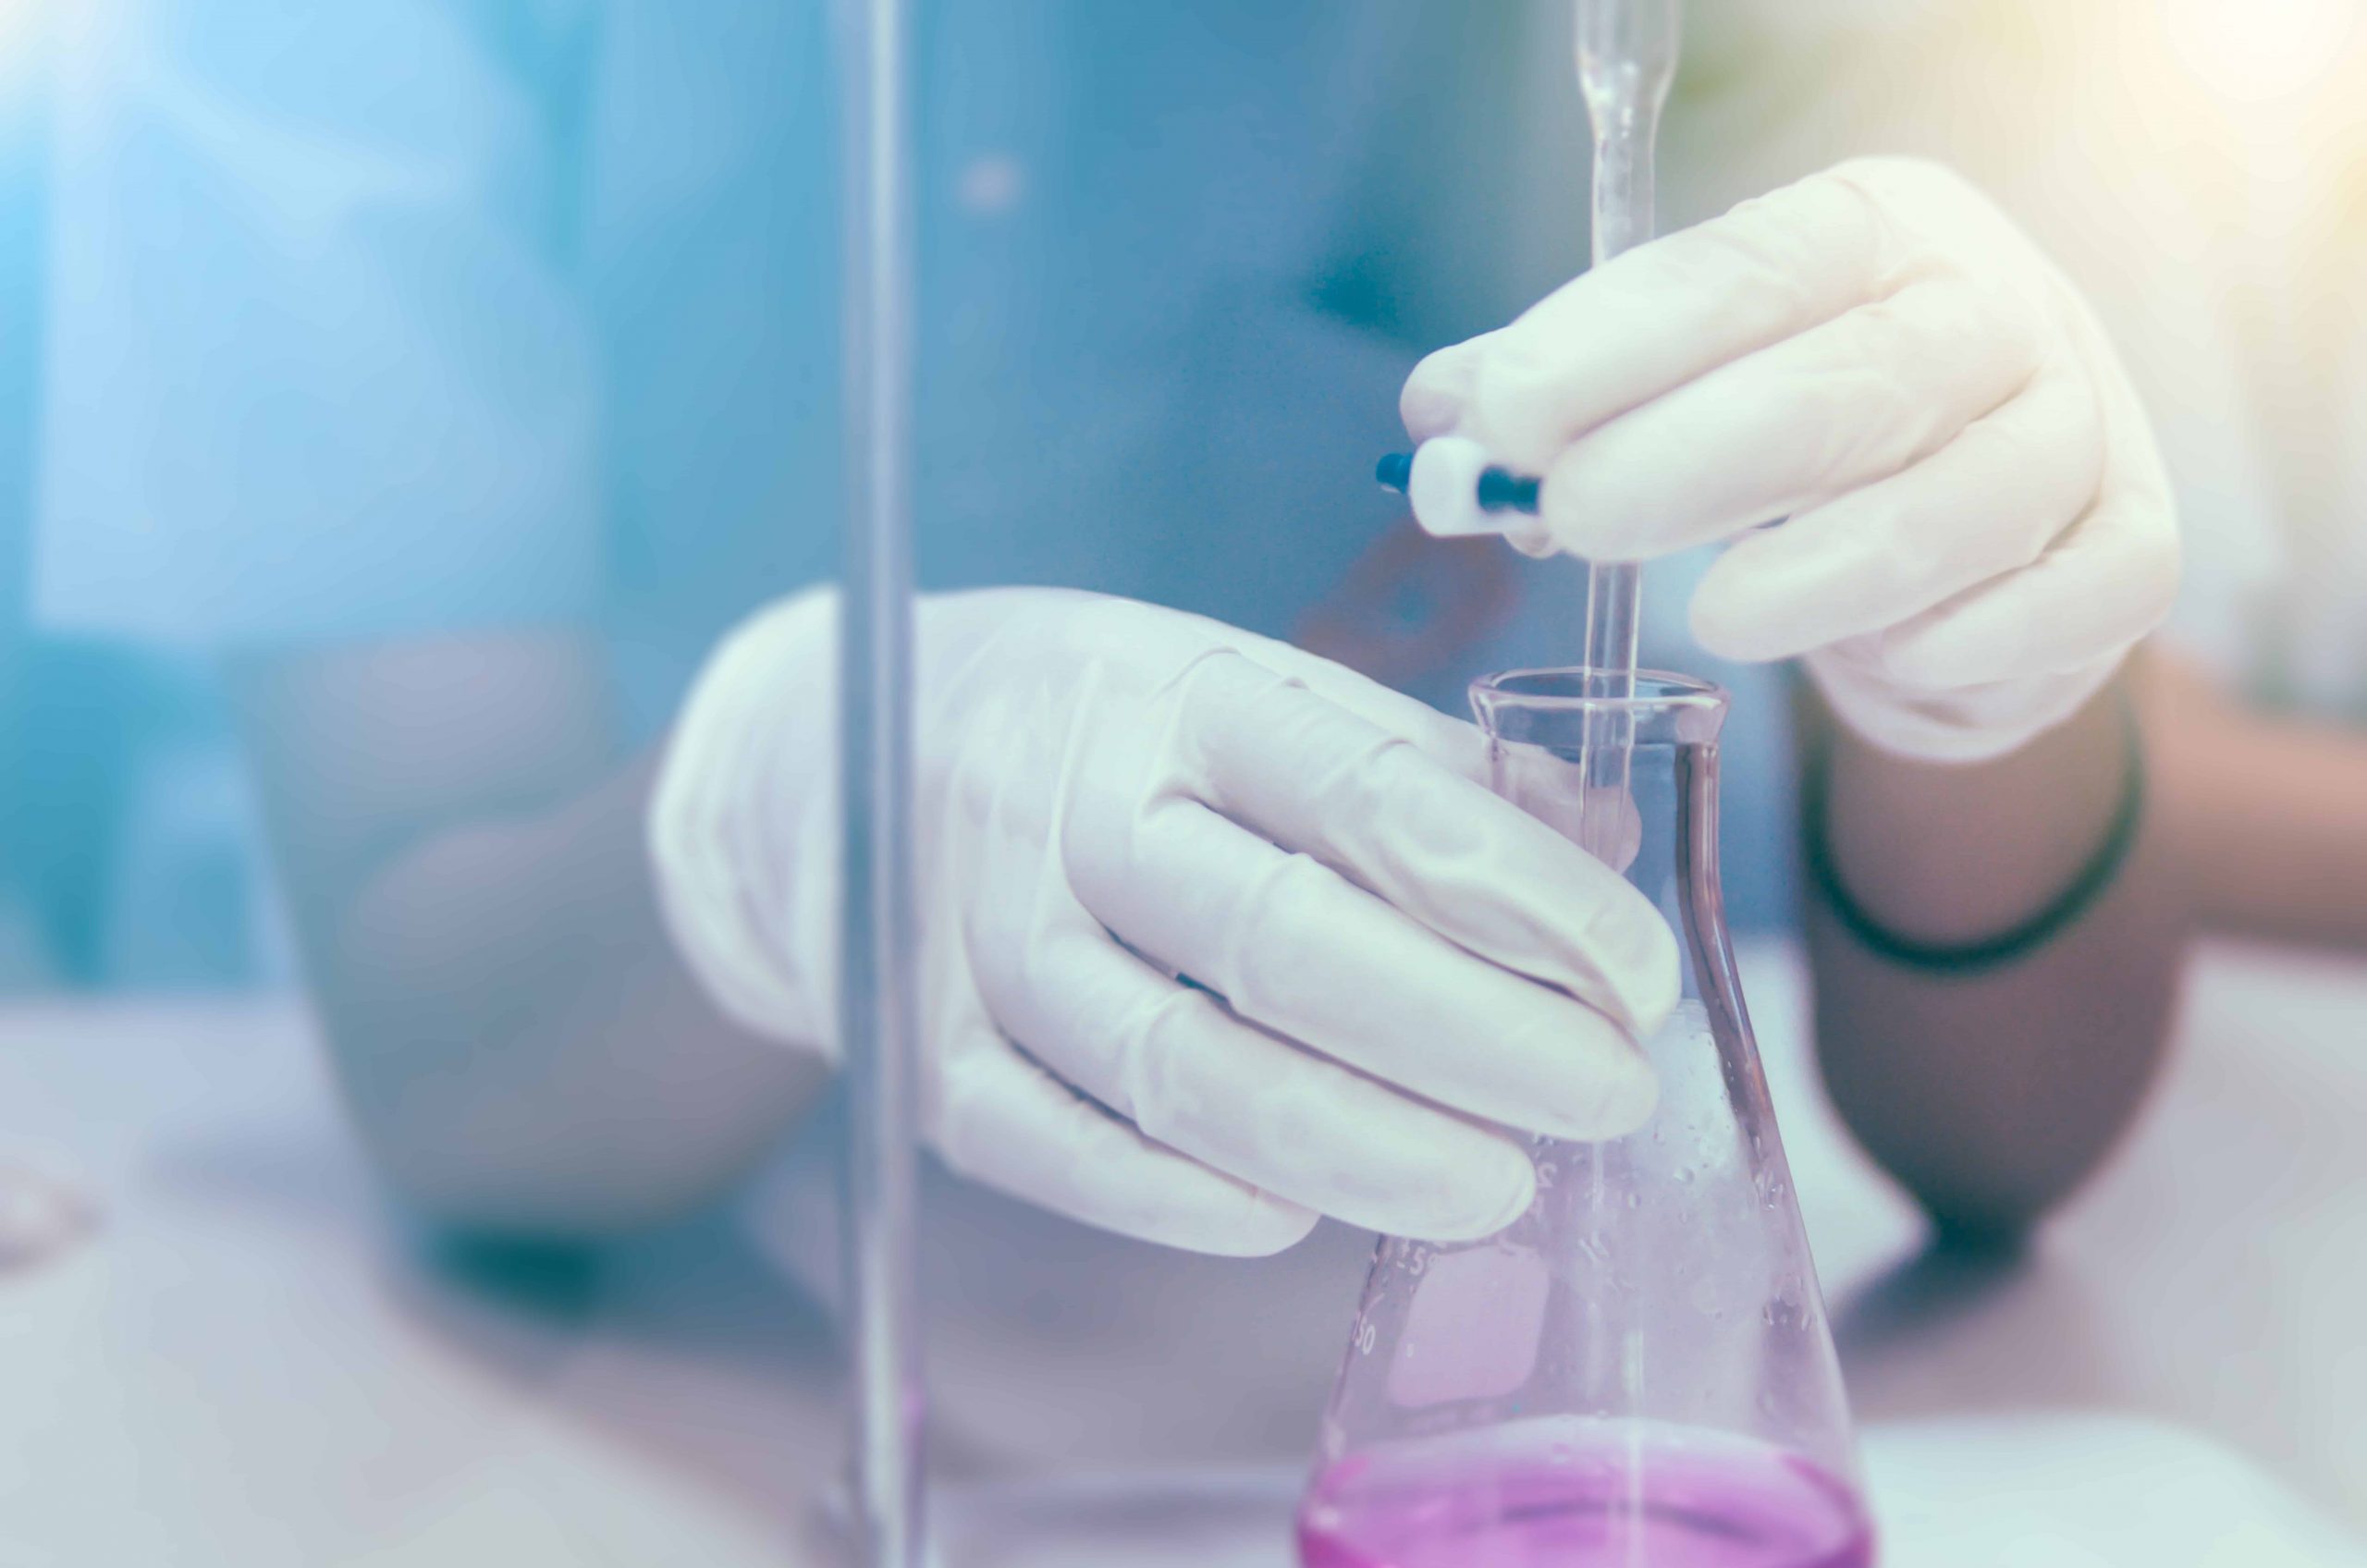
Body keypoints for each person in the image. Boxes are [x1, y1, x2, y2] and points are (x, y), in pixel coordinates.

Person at [31, 0, 2189, 1252]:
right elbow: (457, 1073)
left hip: (1437, 1299)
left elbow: (2009, 1134)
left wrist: (1977, 656)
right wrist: (813, 803)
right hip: (566, 1324)